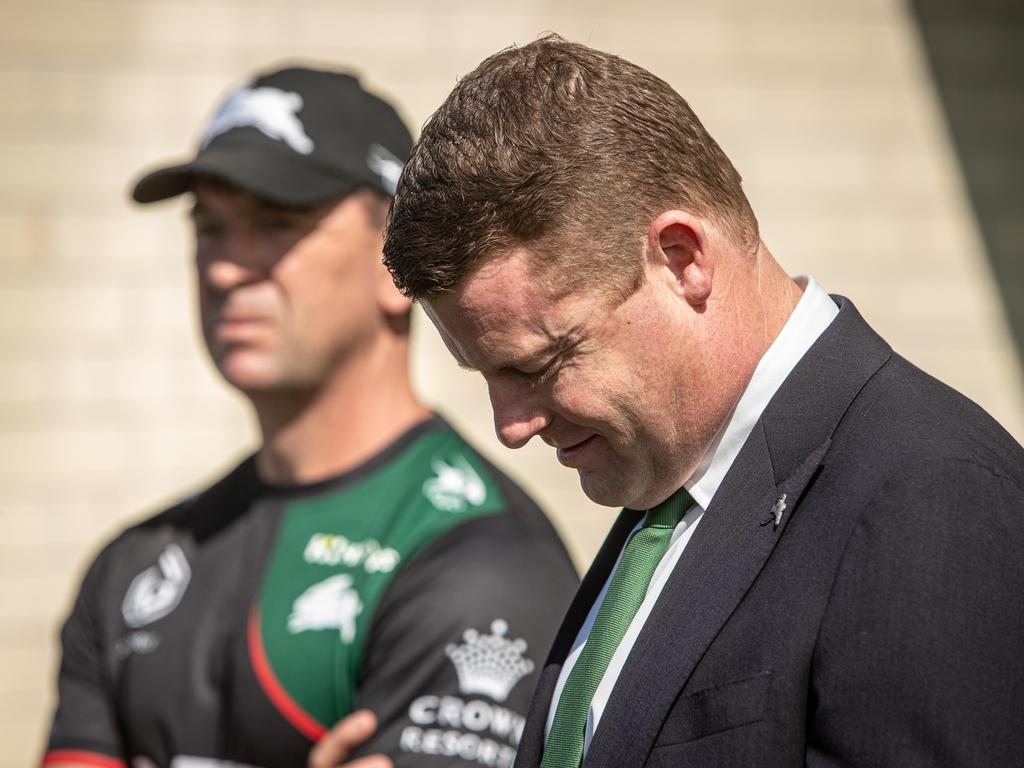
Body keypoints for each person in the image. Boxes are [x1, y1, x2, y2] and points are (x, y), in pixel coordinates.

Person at [382, 36, 1024, 768]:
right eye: (485, 375)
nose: (511, 426)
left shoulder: (931, 500)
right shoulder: (673, 490)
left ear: (682, 259)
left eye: (543, 361)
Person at [43, 65, 578, 768]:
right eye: (210, 228)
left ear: (400, 265)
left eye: (276, 223)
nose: (225, 269)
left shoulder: (486, 562)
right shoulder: (132, 564)